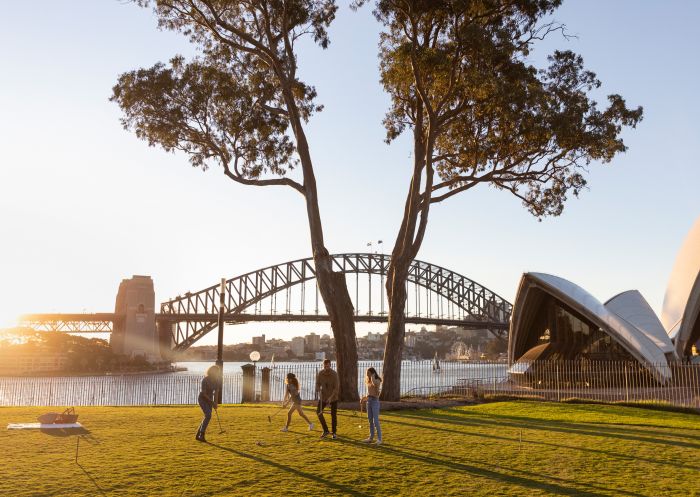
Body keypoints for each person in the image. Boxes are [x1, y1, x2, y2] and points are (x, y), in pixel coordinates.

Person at [315, 359, 339, 439]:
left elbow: (336, 388)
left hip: (333, 397)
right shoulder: (320, 373)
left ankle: (334, 432)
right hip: (323, 397)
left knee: (333, 415)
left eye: (328, 366)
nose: (326, 368)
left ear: (330, 365)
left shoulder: (334, 374)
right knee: (318, 412)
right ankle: (325, 430)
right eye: (325, 366)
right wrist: (318, 389)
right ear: (323, 365)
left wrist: (331, 397)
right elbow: (317, 383)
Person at [196, 364, 220, 442]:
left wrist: (215, 403)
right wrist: (212, 402)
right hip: (203, 399)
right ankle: (202, 434)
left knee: (207, 416)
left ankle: (198, 434)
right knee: (208, 415)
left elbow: (216, 393)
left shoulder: (217, 381)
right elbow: (204, 393)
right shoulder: (205, 380)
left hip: (210, 400)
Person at [363, 367, 382, 445]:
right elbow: (369, 393)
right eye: (367, 373)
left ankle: (379, 439)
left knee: (376, 421)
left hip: (375, 401)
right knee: (370, 420)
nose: (367, 374)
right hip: (369, 401)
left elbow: (375, 384)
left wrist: (373, 376)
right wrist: (363, 398)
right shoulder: (368, 381)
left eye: (368, 373)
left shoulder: (377, 380)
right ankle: (371, 438)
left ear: (372, 373)